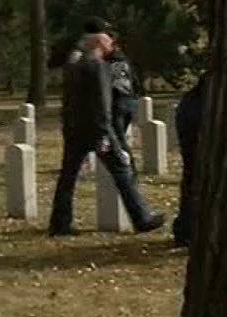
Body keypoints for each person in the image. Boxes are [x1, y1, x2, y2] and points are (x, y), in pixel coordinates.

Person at [48, 29, 163, 236]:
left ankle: (59, 223)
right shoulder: (99, 67)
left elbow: (69, 102)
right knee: (122, 170)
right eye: (108, 43)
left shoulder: (72, 66)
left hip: (75, 128)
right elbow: (102, 103)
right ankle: (142, 218)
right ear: (99, 45)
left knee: (68, 177)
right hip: (97, 129)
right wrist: (104, 134)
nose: (111, 47)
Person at [171, 72, 207, 248]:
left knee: (190, 183)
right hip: (198, 144)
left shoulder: (191, 99)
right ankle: (187, 229)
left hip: (191, 144)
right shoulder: (205, 101)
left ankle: (185, 230)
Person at [108, 41, 139, 146]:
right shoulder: (126, 62)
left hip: (117, 102)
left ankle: (125, 156)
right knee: (121, 136)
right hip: (130, 100)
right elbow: (135, 82)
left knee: (118, 139)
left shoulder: (106, 63)